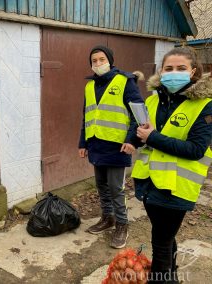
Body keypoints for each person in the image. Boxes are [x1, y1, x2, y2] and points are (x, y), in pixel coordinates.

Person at [132, 47, 212, 283]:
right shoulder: (154, 99)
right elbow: (144, 134)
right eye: (169, 69)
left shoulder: (205, 105)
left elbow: (196, 149)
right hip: (149, 182)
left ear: (193, 72)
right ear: (161, 71)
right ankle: (171, 277)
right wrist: (136, 136)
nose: (173, 73)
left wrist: (153, 137)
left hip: (177, 187)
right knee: (166, 238)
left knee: (161, 244)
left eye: (180, 68)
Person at [78, 45, 144, 249]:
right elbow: (87, 116)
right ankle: (108, 218)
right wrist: (83, 143)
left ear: (110, 60)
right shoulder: (89, 86)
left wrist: (133, 140)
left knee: (116, 188)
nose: (97, 63)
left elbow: (140, 115)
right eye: (94, 61)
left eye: (101, 59)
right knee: (102, 186)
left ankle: (122, 225)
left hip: (118, 146)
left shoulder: (125, 81)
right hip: (97, 145)